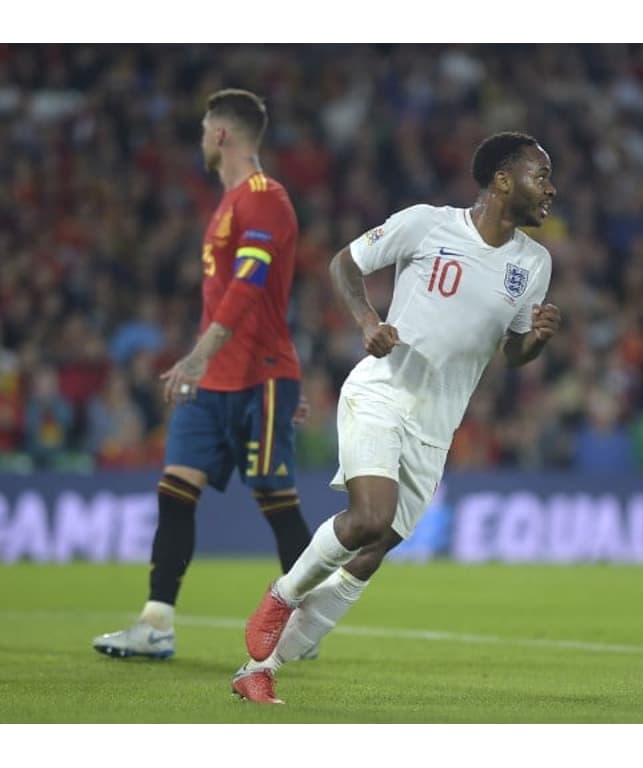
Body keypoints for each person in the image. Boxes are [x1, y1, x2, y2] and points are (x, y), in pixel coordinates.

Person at [229, 131, 560, 704]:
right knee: (367, 518)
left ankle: (260, 669)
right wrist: (365, 321)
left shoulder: (534, 263)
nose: (550, 189)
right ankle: (282, 596)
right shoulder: (426, 223)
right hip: (382, 391)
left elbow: (512, 351)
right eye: (540, 175)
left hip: (438, 424)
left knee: (374, 549)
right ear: (503, 180)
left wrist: (536, 341)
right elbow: (344, 264)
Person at [93, 89, 314, 660]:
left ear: (220, 135)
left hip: (259, 376)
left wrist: (197, 355)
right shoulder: (228, 204)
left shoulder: (265, 199)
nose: (199, 139)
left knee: (275, 497)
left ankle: (306, 624)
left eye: (202, 130)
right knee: (174, 492)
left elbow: (249, 286)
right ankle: (156, 622)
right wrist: (204, 362)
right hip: (215, 380)